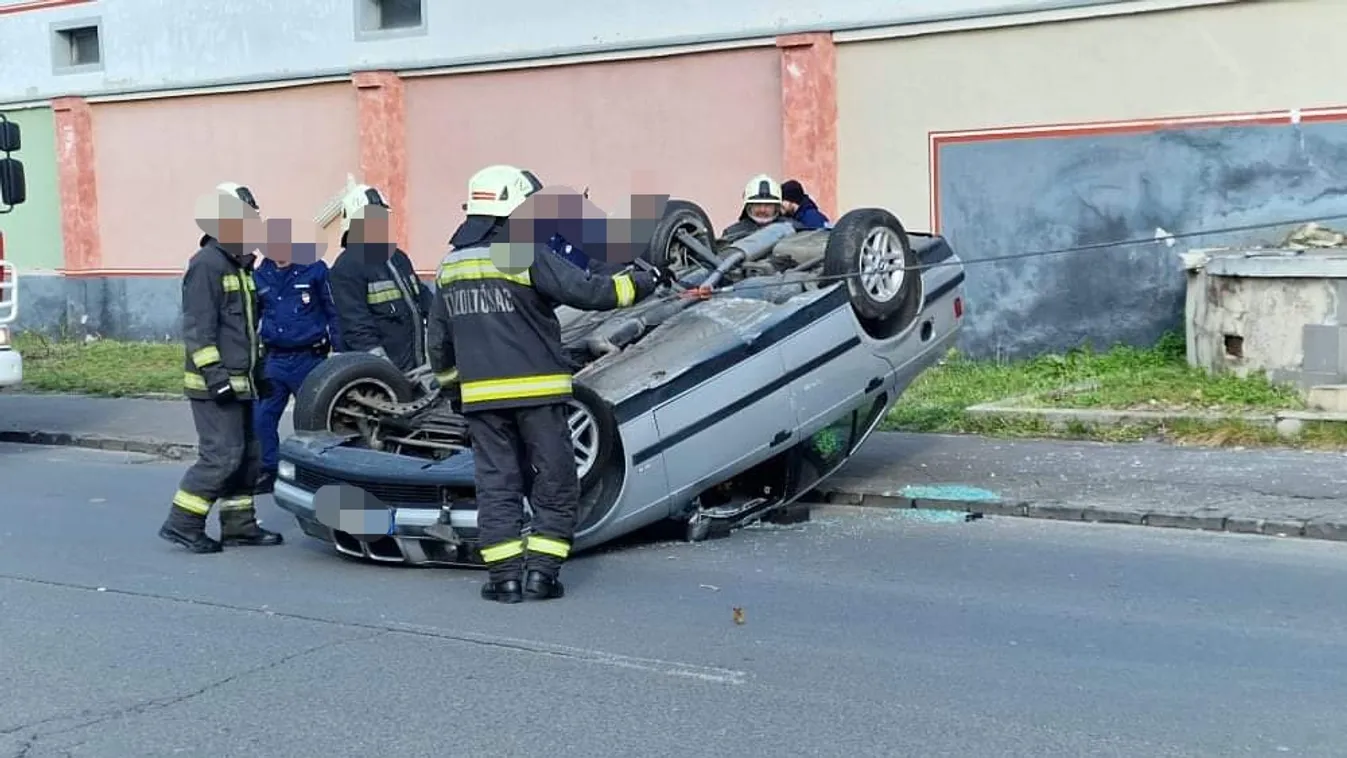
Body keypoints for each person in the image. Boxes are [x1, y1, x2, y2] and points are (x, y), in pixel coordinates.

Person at [426, 164, 672, 603]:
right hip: (537, 392)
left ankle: (503, 580)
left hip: (481, 400)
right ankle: (542, 575)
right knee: (555, 481)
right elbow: (590, 292)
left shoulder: (450, 266)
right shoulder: (521, 252)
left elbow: (439, 346)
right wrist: (642, 283)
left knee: (497, 485)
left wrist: (453, 390)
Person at [159, 182, 284, 553]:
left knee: (248, 457)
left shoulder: (241, 266)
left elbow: (244, 329)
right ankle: (183, 523)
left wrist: (258, 374)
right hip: (214, 385)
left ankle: (239, 525)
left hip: (241, 382)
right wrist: (216, 378)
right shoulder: (206, 265)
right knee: (222, 456)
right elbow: (198, 329)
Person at [252, 217, 342, 493]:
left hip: (309, 359)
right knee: (262, 418)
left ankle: (319, 473)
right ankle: (269, 470)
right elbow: (253, 316)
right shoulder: (259, 275)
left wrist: (339, 349)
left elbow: (333, 311)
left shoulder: (314, 270)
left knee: (313, 421)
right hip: (275, 359)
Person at [327, 184, 433, 375]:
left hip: (415, 370)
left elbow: (424, 301)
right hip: (379, 378)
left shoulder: (398, 258)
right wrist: (385, 372)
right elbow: (357, 328)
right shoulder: (347, 267)